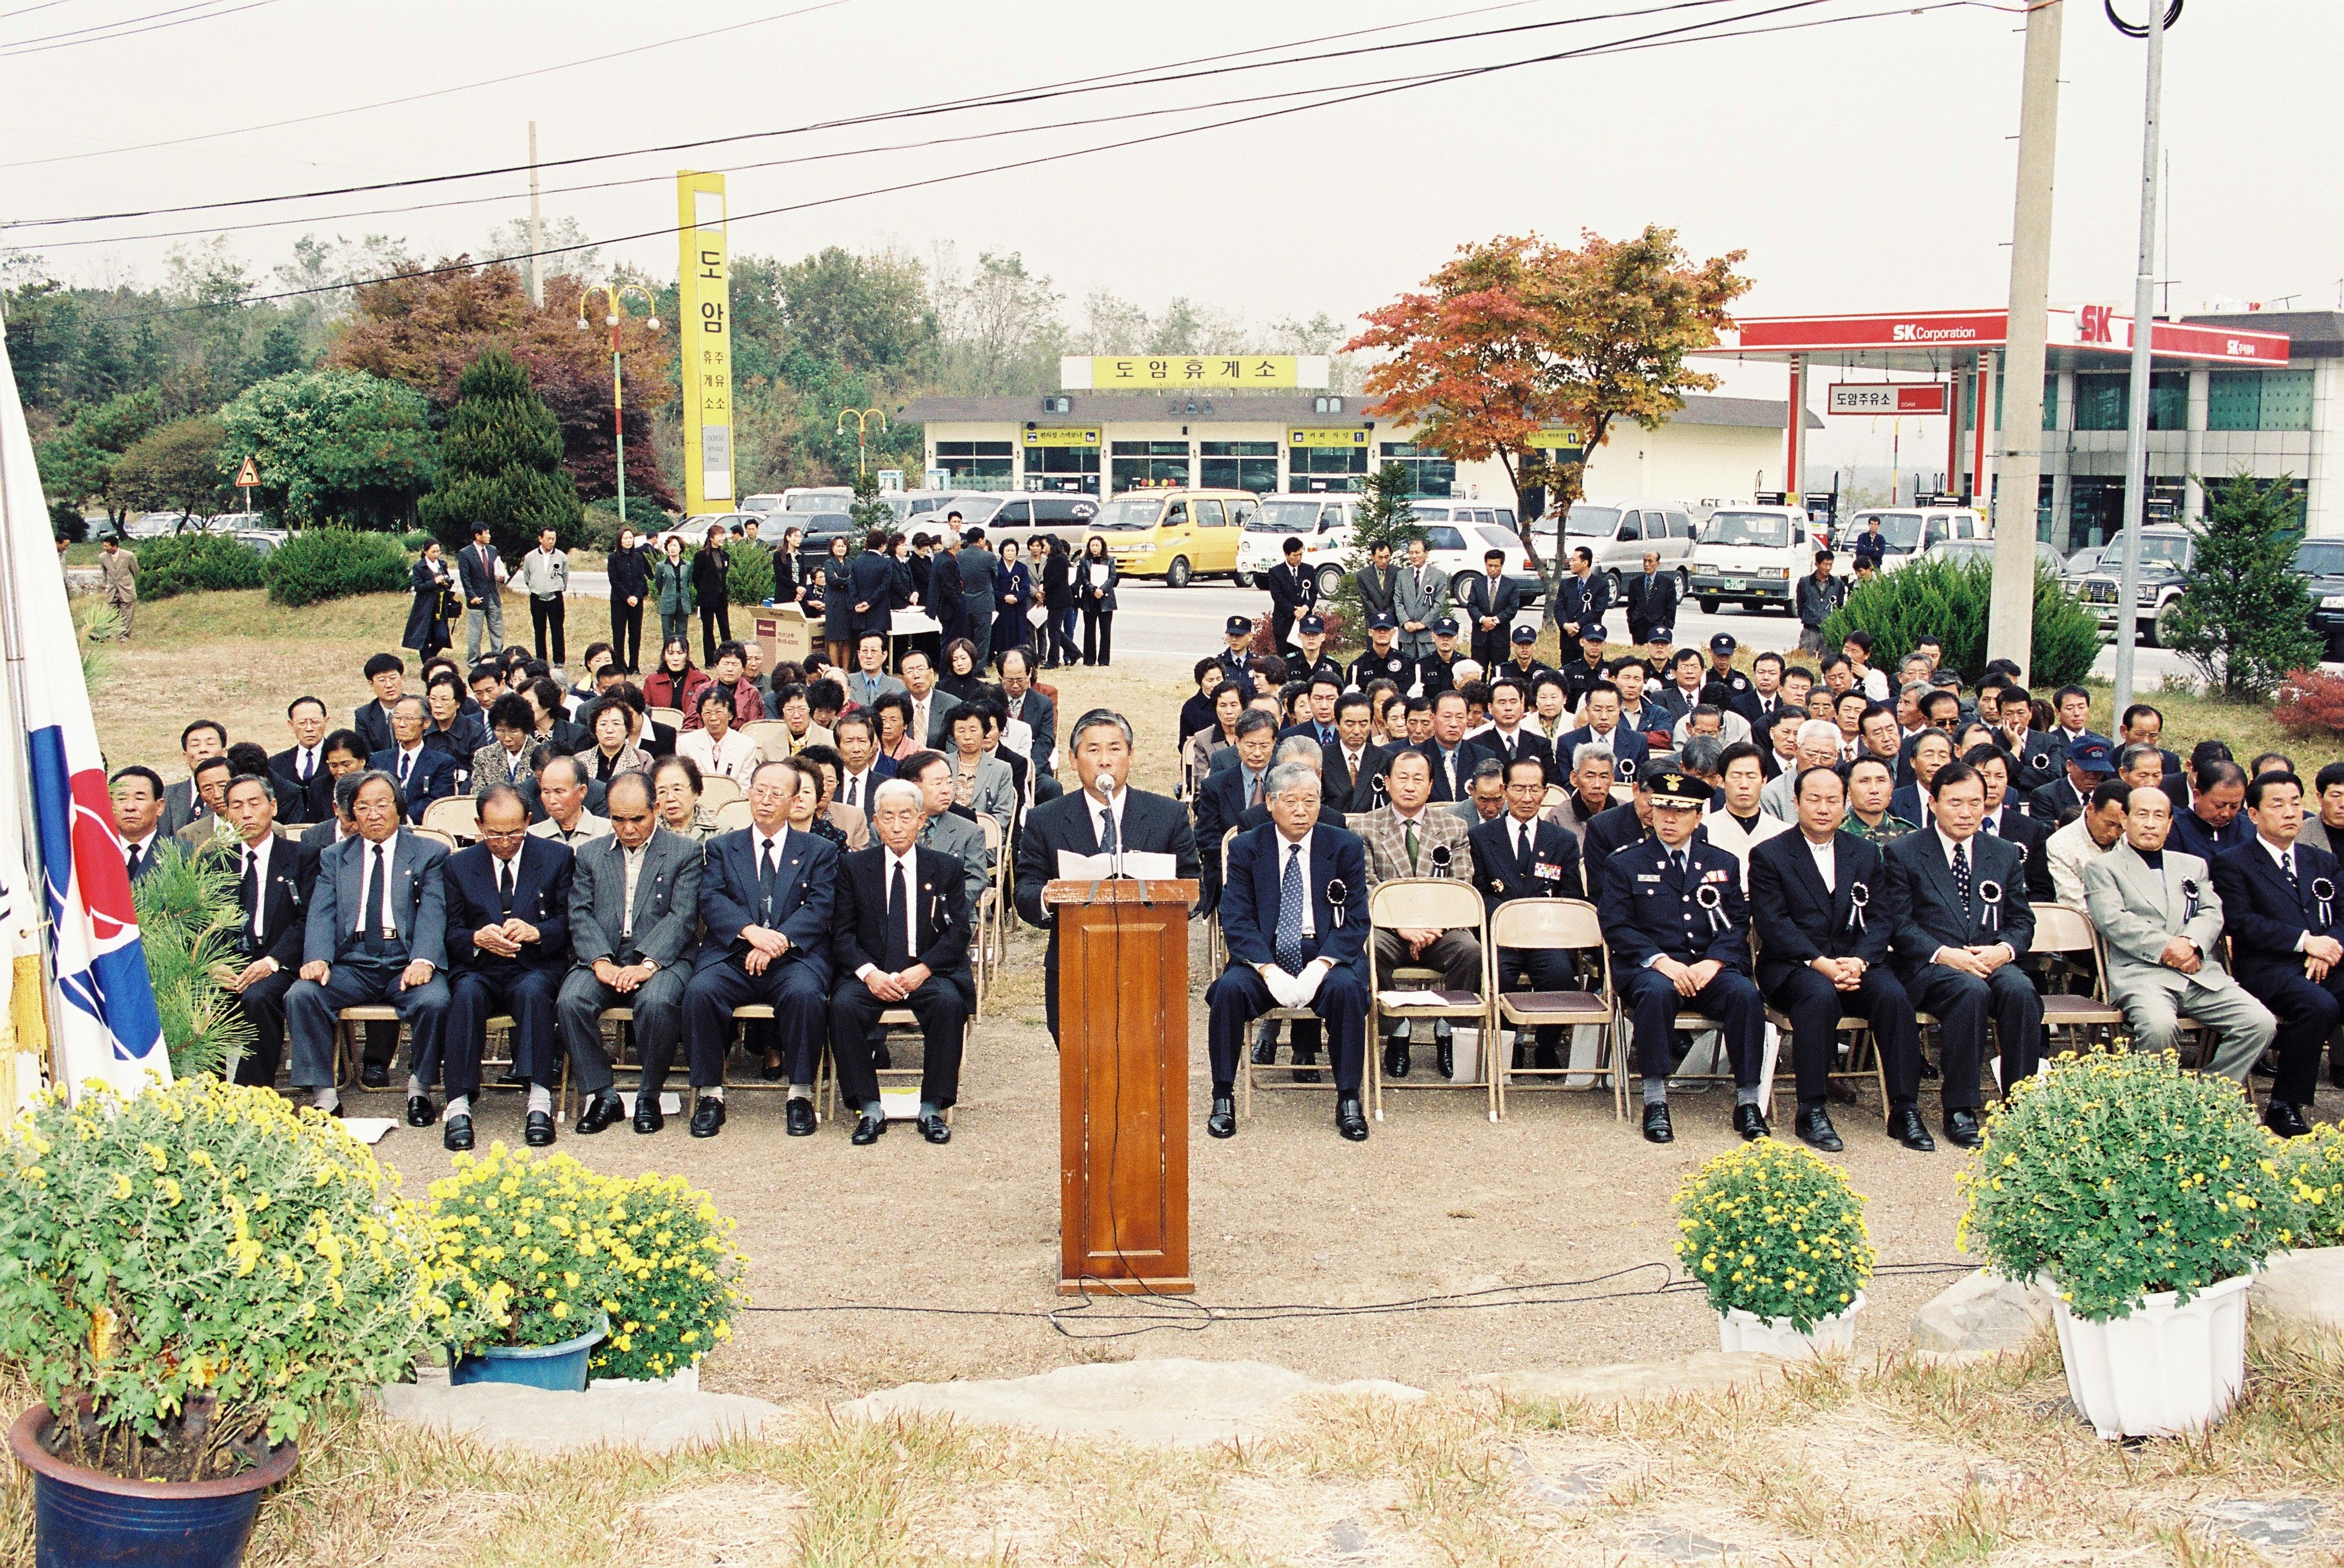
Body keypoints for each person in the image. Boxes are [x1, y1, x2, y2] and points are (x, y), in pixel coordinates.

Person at [1749, 764, 1931, 1153]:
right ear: (1796, 802)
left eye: (1833, 800)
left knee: (1894, 996)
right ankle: (1811, 1109)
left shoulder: (1864, 852)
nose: (1823, 808)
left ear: (1845, 804)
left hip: (1856, 963)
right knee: (1818, 996)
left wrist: (1860, 961)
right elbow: (1773, 922)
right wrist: (1820, 962)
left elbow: (1882, 917)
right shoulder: (1770, 855)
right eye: (1813, 799)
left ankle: (1904, 1108)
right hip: (1795, 966)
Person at [1202, 763, 1372, 1142]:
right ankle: (1222, 1096)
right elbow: (1236, 917)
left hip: (1324, 950)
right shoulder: (1247, 847)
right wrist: (1267, 969)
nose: (1301, 810)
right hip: (1266, 952)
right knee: (1229, 990)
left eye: (1310, 801)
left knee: (1346, 989)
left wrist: (1321, 965)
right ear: (1270, 802)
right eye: (1291, 801)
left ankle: (1349, 1098)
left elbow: (1357, 919)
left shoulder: (1344, 845)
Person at [1598, 767, 1768, 1144]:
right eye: (1662, 809)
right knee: (1655, 994)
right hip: (1655, 967)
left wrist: (1714, 962)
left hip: (1709, 965)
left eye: (1681, 811)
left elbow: (1737, 923)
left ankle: (1748, 1101)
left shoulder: (1722, 862)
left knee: (1746, 995)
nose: (1669, 819)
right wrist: (1663, 962)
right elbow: (1617, 925)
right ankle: (1656, 1099)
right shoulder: (1625, 862)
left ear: (1699, 816)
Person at [1881, 761, 2043, 1148]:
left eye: (1976, 802)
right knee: (1969, 991)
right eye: (1955, 803)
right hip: (1930, 964)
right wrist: (1946, 954)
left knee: (2020, 991)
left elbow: (2022, 920)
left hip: (1989, 958)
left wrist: (2004, 950)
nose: (1967, 812)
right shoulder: (1904, 852)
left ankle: (2020, 1103)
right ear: (1934, 803)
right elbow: (1899, 926)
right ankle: (1960, 1107)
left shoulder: (2002, 853)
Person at [1013, 710, 1199, 1041]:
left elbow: (1192, 884)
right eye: (1093, 750)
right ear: (1073, 759)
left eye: (1115, 749)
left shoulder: (1167, 815)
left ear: (1131, 755)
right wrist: (1050, 896)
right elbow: (1025, 890)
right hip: (1074, 962)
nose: (1105, 761)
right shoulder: (1046, 819)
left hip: (1149, 961)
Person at [678, 759, 838, 1139]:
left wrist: (776, 942)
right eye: (759, 790)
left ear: (797, 800)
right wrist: (752, 933)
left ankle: (799, 1093)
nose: (766, 800)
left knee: (805, 994)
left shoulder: (819, 850)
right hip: (734, 953)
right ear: (748, 792)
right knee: (700, 992)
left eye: (776, 793)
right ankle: (710, 1094)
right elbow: (712, 898)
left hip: (794, 956)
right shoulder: (722, 847)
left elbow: (820, 907)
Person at [281, 772, 451, 1119]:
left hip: (405, 958)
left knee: (435, 1001)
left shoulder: (430, 853)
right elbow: (321, 913)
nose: (373, 814)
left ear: (398, 808)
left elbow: (435, 912)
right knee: (302, 994)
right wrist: (317, 958)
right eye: (363, 807)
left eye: (381, 804)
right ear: (351, 815)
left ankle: (419, 1089)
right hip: (353, 961)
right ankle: (324, 1094)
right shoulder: (334, 856)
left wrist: (423, 960)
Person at [2083, 786, 2275, 1087]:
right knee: (2159, 1028)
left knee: (2259, 1023)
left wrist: (2192, 944)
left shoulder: (2192, 865)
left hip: (2197, 971)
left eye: (2159, 816)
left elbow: (2212, 912)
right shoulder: (2102, 867)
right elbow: (2113, 920)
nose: (2150, 823)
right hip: (2142, 973)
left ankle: (2211, 1096)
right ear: (2125, 818)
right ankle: (2152, 1102)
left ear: (2170, 823)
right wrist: (2168, 947)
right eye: (2142, 814)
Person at [555, 771, 703, 1136]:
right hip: (603, 956)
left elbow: (683, 916)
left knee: (657, 1002)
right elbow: (580, 913)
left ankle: (649, 1093)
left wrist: (647, 963)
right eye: (618, 819)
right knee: (571, 1000)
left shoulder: (684, 852)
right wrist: (600, 962)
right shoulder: (589, 854)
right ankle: (602, 1094)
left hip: (663, 958)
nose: (628, 828)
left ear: (656, 809)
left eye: (637, 818)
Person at [828, 778, 974, 1147]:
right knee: (842, 1006)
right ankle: (869, 1106)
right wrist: (870, 973)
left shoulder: (945, 868)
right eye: (888, 817)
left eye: (905, 816)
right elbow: (841, 933)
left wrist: (924, 968)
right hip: (872, 973)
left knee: (948, 1003)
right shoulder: (853, 867)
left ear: (921, 819)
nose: (897, 825)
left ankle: (932, 1107)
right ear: (875, 821)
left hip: (925, 970)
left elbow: (959, 933)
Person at [438, 786, 574, 1151]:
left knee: (533, 993)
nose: (504, 842)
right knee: (465, 995)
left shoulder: (557, 857)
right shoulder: (459, 865)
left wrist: (536, 932)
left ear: (529, 821)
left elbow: (571, 923)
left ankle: (540, 1102)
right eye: (495, 833)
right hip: (480, 967)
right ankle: (458, 1106)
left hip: (534, 964)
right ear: (479, 825)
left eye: (514, 832)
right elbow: (450, 932)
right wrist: (477, 938)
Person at [2211, 771, 2344, 1131]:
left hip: (2324, 961)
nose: (2290, 812)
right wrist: (2304, 941)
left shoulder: (2321, 861)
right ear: (2253, 814)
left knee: (2326, 999)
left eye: (2296, 803)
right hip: (2269, 967)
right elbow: (2240, 922)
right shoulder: (2233, 861)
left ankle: (2295, 1047)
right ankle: (2285, 1103)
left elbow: (2342, 914)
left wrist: (2328, 944)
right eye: (2278, 804)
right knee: (2318, 1005)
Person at [1353, 747, 1480, 1079]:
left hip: (1441, 928)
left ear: (1430, 785)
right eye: (1402, 778)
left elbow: (1461, 885)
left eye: (1418, 779)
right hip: (1389, 928)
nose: (1410, 786)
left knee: (1470, 951)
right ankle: (1397, 1030)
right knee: (1369, 948)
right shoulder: (1364, 828)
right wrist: (1402, 927)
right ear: (1387, 782)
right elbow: (1366, 886)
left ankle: (1448, 1030)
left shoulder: (1454, 828)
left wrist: (1432, 927)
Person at [1470, 754, 1585, 1071]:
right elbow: (1477, 892)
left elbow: (1571, 894)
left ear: (1545, 792)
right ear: (1505, 790)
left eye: (1535, 789)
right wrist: (1509, 917)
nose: (1527, 798)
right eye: (1519, 789)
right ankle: (1510, 1044)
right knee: (1499, 976)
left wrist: (1541, 920)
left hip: (1546, 933)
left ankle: (1546, 1045)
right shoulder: (1481, 837)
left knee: (1561, 976)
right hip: (1501, 934)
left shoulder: (1562, 840)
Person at [211, 773, 314, 1090]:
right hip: (229, 963)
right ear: (226, 814)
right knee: (205, 997)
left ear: (272, 807)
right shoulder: (215, 861)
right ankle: (205, 1095)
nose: (246, 813)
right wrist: (214, 962)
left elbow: (308, 919)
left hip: (278, 962)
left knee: (258, 997)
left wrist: (272, 961)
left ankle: (250, 1096)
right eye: (236, 806)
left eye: (254, 804)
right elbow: (205, 921)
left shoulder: (302, 856)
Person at [368, 696, 455, 822]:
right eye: (397, 718)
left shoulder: (442, 763)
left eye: (409, 719)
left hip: (422, 828)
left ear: (426, 723)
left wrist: (400, 818)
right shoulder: (378, 760)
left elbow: (437, 803)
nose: (401, 724)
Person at [2047, 779, 2131, 908]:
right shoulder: (2060, 844)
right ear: (2090, 809)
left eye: (2121, 827)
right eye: (2109, 824)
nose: (2114, 833)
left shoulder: (2132, 835)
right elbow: (2075, 906)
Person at [2170, 758, 2250, 862]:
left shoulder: (2251, 830)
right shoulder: (2173, 828)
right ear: (2197, 795)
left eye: (2234, 806)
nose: (2226, 813)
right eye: (2219, 805)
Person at [1454, 548, 1523, 668]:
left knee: (1499, 672)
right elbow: (1471, 605)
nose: (1492, 569)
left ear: (1502, 565)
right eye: (1489, 565)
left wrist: (1493, 621)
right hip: (1480, 638)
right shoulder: (1477, 583)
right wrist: (1483, 620)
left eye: (1496, 566)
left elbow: (1512, 608)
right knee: (1478, 671)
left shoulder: (1511, 585)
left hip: (1500, 638)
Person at [271, 696, 336, 823]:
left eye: (315, 722)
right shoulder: (276, 764)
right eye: (302, 723)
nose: (309, 728)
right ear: (291, 725)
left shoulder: (339, 759)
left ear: (326, 721)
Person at [679, 687, 759, 785]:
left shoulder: (747, 745)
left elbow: (744, 786)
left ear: (731, 715)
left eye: (719, 712)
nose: (713, 718)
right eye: (707, 713)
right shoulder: (685, 743)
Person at [516, 527, 569, 669]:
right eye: (548, 539)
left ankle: (559, 660)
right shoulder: (530, 557)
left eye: (554, 539)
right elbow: (527, 576)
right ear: (541, 539)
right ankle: (541, 659)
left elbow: (565, 576)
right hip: (537, 597)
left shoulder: (561, 556)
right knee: (539, 629)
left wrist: (557, 587)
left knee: (557, 628)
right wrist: (536, 587)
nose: (551, 542)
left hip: (555, 596)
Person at [471, 693, 540, 795]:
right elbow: (477, 796)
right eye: (501, 731)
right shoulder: (484, 756)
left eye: (513, 732)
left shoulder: (541, 755)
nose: (507, 739)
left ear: (526, 730)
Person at [575, 696, 653, 784]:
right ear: (595, 730)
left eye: (616, 724)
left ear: (627, 729)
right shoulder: (579, 761)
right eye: (603, 724)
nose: (609, 730)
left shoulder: (643, 760)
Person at [457, 522, 504, 665]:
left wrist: (501, 578)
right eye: (486, 533)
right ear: (478, 536)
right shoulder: (465, 553)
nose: (489, 536)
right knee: (475, 632)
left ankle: (497, 658)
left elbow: (497, 570)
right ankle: (473, 661)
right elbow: (465, 578)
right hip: (476, 597)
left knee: (497, 629)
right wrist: (472, 596)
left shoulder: (492, 550)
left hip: (492, 595)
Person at [607, 524, 651, 674]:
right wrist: (627, 597)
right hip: (620, 601)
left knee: (635, 634)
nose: (628, 541)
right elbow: (614, 581)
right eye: (625, 538)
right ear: (620, 540)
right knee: (619, 634)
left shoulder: (638, 557)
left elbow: (641, 579)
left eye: (631, 538)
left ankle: (634, 665)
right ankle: (620, 665)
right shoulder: (613, 558)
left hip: (636, 601)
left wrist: (636, 596)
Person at [1073, 534, 1117, 666]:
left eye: (1097, 545)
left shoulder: (1110, 560)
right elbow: (1083, 578)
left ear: (1102, 546)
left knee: (1105, 631)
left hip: (1106, 599)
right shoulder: (1084, 561)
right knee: (1089, 630)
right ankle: (1089, 659)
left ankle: (1104, 660)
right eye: (1092, 545)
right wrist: (1094, 590)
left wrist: (1102, 590)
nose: (1094, 548)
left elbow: (1113, 578)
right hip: (1090, 598)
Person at [1554, 547, 1609, 643]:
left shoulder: (1601, 585)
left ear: (1585, 563)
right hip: (1568, 639)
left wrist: (1577, 625)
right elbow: (1559, 608)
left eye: (1574, 560)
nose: (1570, 563)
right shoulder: (1566, 584)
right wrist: (1566, 625)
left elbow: (1597, 611)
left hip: (1588, 637)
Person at [1624, 550, 1676, 647]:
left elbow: (1671, 607)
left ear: (1658, 563)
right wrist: (1632, 623)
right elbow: (1631, 606)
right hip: (1639, 628)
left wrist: (1667, 625)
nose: (1647, 565)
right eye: (1645, 561)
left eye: (1650, 562)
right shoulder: (1635, 582)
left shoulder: (1667, 583)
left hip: (1658, 626)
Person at [654, 535, 696, 654]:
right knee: (668, 633)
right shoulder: (661, 565)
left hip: (683, 602)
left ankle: (683, 657)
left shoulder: (687, 565)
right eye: (670, 545)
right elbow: (659, 584)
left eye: (675, 545)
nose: (673, 548)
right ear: (667, 548)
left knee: (682, 633)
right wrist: (666, 594)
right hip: (667, 601)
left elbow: (688, 581)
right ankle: (667, 657)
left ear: (680, 548)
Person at [1794, 550, 1840, 655]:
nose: (1828, 568)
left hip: (1829, 629)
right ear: (1817, 564)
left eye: (1831, 565)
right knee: (1805, 657)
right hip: (1810, 628)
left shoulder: (1838, 584)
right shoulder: (1805, 582)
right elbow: (1800, 604)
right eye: (1825, 564)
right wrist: (1808, 617)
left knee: (1828, 660)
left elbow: (1839, 606)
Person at [98, 533, 136, 639]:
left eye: (107, 546)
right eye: (104, 546)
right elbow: (105, 572)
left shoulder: (129, 556)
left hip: (126, 588)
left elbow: (134, 571)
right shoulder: (102, 557)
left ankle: (124, 636)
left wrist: (127, 582)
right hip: (112, 589)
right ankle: (105, 634)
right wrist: (107, 585)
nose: (105, 548)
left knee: (127, 613)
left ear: (115, 546)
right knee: (110, 612)